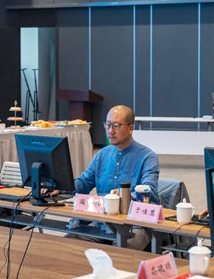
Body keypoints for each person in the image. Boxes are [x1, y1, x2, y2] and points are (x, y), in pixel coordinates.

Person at [65, 105, 160, 250]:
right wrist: (62, 186)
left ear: (130, 128)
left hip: (136, 225)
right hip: (103, 222)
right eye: (108, 125)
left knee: (119, 253)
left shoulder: (148, 157)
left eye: (116, 126)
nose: (110, 131)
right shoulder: (102, 155)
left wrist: (126, 196)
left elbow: (149, 191)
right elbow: (84, 183)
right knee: (67, 245)